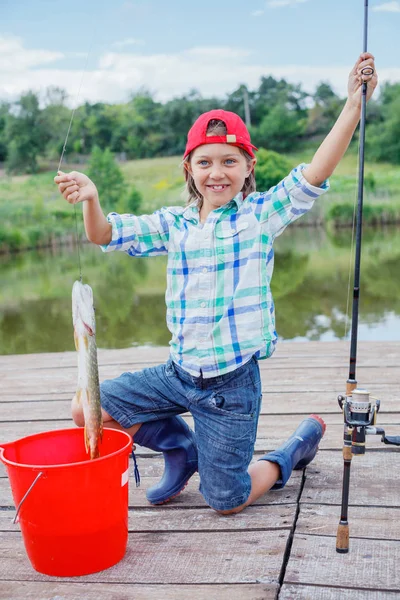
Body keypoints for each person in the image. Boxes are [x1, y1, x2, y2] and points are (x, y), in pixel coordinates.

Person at [55, 53, 377, 514]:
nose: (217, 172)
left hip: (231, 386)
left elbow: (315, 173)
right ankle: (183, 449)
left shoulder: (259, 216)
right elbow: (104, 234)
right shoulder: (174, 224)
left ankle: (291, 450)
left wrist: (352, 106)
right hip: (177, 374)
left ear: (249, 166)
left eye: (230, 160)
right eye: (204, 162)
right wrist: (91, 198)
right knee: (86, 408)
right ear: (190, 169)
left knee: (226, 499)